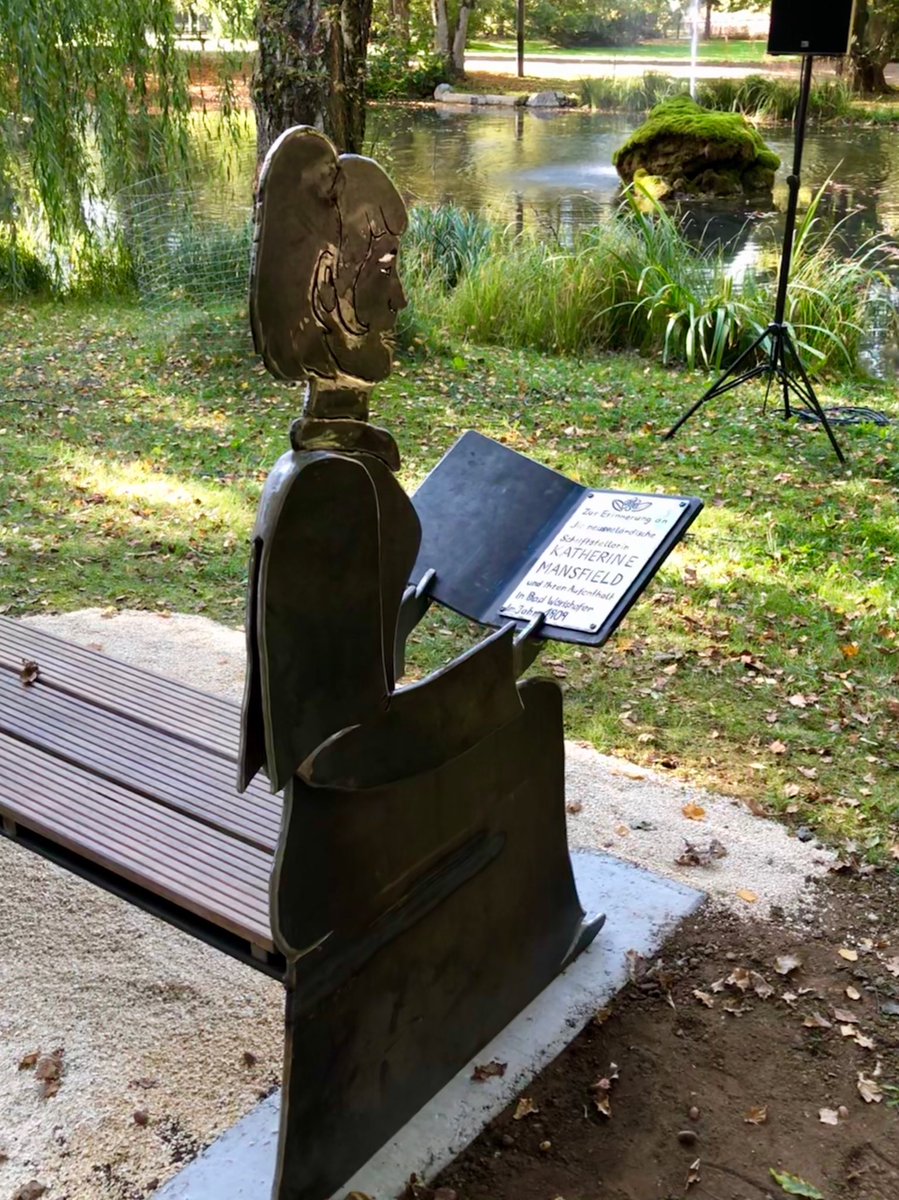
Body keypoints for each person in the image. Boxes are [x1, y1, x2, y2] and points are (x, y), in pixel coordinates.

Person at [238, 126, 600, 1200]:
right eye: (382, 273)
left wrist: (392, 624)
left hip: (333, 831)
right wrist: (481, 680)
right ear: (331, 285)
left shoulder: (323, 470)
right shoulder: (332, 494)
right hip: (341, 861)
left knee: (514, 699)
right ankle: (526, 939)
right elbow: (336, 754)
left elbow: (318, 682)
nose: (398, 300)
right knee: (529, 714)